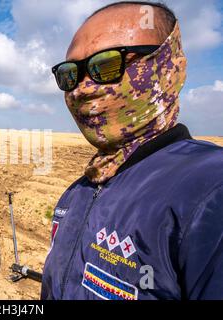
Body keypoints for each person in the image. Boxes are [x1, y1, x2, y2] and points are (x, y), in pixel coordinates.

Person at [42, 1, 223, 300]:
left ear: (168, 70)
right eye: (69, 74)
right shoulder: (79, 191)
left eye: (107, 65)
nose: (81, 89)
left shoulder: (210, 191)